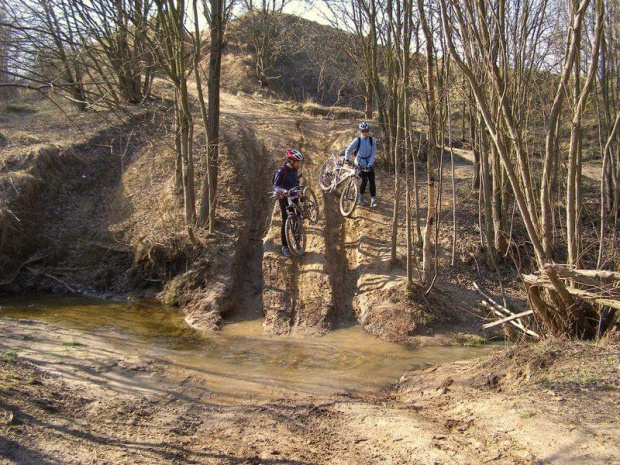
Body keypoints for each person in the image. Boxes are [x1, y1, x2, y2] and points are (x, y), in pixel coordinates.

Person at [273, 149, 304, 257]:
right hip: (284, 198)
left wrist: (299, 191)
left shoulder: (295, 170)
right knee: (286, 219)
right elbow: (276, 186)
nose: (299, 164)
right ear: (291, 161)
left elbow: (295, 182)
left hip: (294, 195)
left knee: (298, 219)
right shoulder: (281, 171)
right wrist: (283, 191)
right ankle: (285, 246)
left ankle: (297, 242)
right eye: (297, 162)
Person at [344, 122, 377, 207]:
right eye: (363, 131)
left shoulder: (372, 140)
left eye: (366, 131)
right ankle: (360, 198)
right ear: (360, 131)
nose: (364, 133)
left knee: (372, 180)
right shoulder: (357, 140)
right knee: (364, 180)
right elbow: (348, 150)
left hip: (369, 161)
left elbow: (373, 154)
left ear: (368, 131)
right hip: (359, 162)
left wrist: (370, 164)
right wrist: (347, 159)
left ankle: (373, 199)